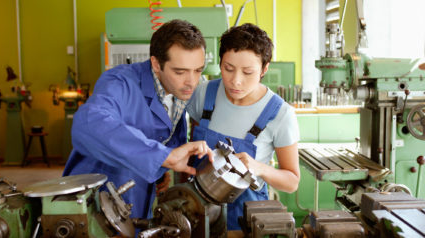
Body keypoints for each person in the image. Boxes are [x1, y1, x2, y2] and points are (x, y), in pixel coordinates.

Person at [63, 19, 213, 220]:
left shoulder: (178, 92)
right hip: (98, 198)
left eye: (198, 70)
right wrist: (161, 157)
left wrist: (161, 169)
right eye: (180, 72)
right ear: (156, 64)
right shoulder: (120, 82)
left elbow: (162, 137)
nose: (192, 82)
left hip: (139, 195)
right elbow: (88, 122)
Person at [186, 23, 300, 230]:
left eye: (248, 72)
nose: (235, 81)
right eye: (228, 69)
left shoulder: (280, 114)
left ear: (264, 69)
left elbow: (292, 182)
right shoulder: (204, 94)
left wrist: (259, 168)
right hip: (194, 213)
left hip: (245, 221)